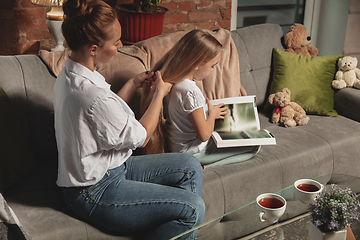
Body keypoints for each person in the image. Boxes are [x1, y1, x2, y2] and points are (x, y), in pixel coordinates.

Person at [53, 0, 205, 239]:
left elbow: (105, 119)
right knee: (193, 208)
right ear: (93, 48)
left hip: (113, 167)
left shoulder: (73, 73)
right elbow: (142, 136)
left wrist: (133, 84)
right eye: (116, 43)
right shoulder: (90, 94)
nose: (121, 45)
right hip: (93, 190)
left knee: (190, 167)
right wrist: (160, 94)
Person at [142, 29, 260, 167]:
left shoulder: (172, 82)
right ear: (197, 64)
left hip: (178, 147)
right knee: (253, 147)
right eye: (212, 66)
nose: (212, 70)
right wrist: (212, 115)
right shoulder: (191, 92)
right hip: (193, 152)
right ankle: (201, 165)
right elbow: (204, 135)